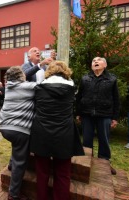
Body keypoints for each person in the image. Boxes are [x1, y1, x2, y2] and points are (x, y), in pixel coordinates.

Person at [30, 61, 84, 200]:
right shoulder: (72, 87)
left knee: (42, 172)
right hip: (64, 132)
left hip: (42, 131)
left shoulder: (39, 87)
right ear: (66, 71)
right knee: (63, 173)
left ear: (49, 72)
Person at [0, 66, 36, 200]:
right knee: (21, 162)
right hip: (19, 130)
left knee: (17, 145)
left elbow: (21, 75)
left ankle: (10, 164)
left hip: (4, 127)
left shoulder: (8, 87)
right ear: (22, 77)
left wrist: (39, 65)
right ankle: (13, 195)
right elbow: (46, 87)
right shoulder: (28, 87)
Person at [76, 57, 120, 175]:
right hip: (87, 114)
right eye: (93, 60)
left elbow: (116, 99)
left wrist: (115, 117)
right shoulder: (85, 79)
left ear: (105, 65)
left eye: (99, 60)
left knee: (104, 140)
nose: (95, 61)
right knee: (86, 140)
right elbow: (79, 97)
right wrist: (78, 113)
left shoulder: (111, 79)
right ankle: (85, 163)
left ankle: (104, 163)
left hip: (105, 114)